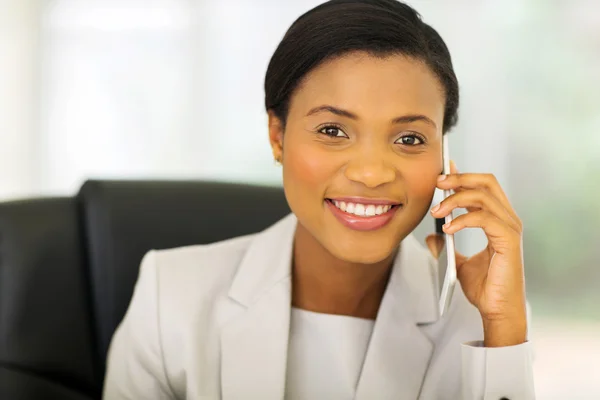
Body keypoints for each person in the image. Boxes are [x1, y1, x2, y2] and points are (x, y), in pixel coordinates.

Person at [103, 0, 535, 399]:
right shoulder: (171, 298)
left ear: (443, 155)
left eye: (409, 138)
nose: (372, 173)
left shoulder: (480, 320)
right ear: (278, 136)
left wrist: (505, 327)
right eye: (332, 131)